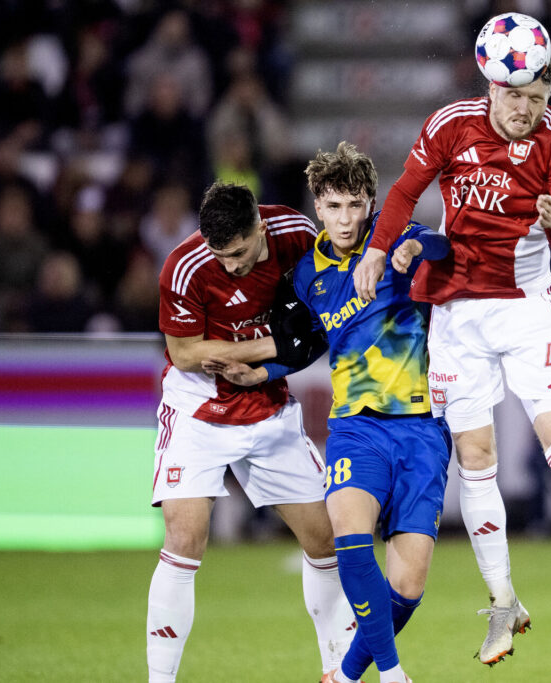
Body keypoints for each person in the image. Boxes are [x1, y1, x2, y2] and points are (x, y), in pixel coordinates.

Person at [353, 16, 551, 666]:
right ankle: (504, 600)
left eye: (536, 99)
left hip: (528, 309)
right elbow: (402, 193)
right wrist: (375, 251)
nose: (524, 111)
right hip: (457, 315)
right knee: (476, 459)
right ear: (491, 83)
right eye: (514, 97)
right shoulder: (450, 123)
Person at [209, 142, 452, 683]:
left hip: (421, 428)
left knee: (407, 588)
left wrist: (420, 252)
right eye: (333, 206)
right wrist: (265, 373)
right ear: (318, 206)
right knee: (348, 535)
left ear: (370, 203)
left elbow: (446, 250)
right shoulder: (305, 277)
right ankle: (391, 676)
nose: (345, 219)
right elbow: (304, 344)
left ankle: (344, 676)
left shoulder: (399, 239)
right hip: (355, 428)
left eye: (354, 205)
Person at [147, 181, 355, 682]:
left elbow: (318, 323)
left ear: (259, 227)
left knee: (325, 539)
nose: (230, 265)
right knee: (185, 536)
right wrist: (270, 344)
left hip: (267, 405)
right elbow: (184, 354)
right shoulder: (184, 266)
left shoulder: (298, 235)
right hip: (198, 406)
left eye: (239, 253)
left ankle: (336, 672)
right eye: (220, 255)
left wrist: (259, 357)